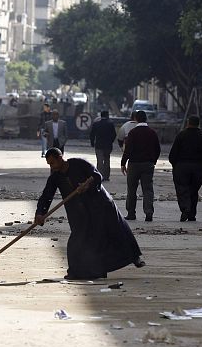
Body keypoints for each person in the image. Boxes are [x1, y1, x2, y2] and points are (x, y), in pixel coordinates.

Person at [34, 148, 144, 280]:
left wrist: (87, 185)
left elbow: (97, 176)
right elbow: (46, 196)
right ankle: (75, 272)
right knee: (78, 240)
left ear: (60, 157)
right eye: (49, 164)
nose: (52, 167)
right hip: (79, 211)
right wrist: (40, 213)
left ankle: (134, 257)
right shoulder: (55, 176)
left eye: (52, 163)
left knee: (117, 230)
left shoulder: (79, 163)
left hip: (100, 204)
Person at [168, 115, 202, 222]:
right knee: (193, 190)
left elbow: (173, 153)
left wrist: (175, 164)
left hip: (182, 167)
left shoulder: (181, 135)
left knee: (182, 189)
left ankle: (185, 209)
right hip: (199, 167)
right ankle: (192, 214)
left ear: (188, 123)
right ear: (198, 124)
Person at [121, 110, 161, 222]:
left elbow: (127, 150)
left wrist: (123, 163)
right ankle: (149, 213)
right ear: (146, 119)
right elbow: (157, 149)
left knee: (131, 189)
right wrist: (153, 161)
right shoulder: (152, 133)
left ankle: (131, 213)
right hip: (148, 164)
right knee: (148, 189)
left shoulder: (133, 133)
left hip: (134, 164)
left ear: (136, 119)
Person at [89, 111, 116, 181]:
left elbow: (92, 134)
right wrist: (111, 141)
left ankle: (100, 176)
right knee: (107, 160)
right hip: (108, 145)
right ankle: (106, 176)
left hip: (98, 145)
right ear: (107, 115)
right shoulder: (110, 124)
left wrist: (92, 142)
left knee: (100, 161)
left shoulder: (96, 124)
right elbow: (114, 134)